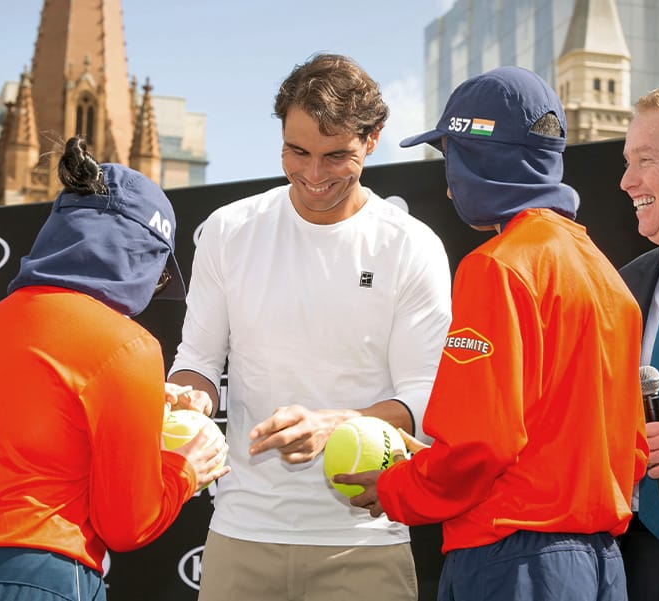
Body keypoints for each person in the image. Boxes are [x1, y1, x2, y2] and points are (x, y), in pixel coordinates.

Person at [336, 66, 649, 601]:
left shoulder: (499, 267)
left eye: (450, 155)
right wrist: (431, 461)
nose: (448, 177)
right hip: (602, 566)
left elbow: (481, 444)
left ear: (479, 156)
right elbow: (630, 450)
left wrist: (399, 486)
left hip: (514, 562)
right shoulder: (606, 276)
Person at [0, 136, 229, 601]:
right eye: (159, 272)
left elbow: (36, 443)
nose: (154, 289)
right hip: (28, 576)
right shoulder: (128, 346)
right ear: (135, 255)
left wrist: (141, 407)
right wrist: (186, 467)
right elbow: (129, 525)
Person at [167, 53, 452, 601]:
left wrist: (334, 425)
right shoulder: (229, 230)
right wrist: (189, 396)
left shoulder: (412, 245)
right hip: (240, 532)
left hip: (366, 543)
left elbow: (424, 397)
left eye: (335, 155)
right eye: (297, 151)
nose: (314, 175)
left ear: (373, 140)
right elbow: (198, 360)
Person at [617, 85, 659, 601]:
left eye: (645, 159)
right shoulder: (624, 286)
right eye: (626, 161)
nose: (626, 181)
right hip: (635, 554)